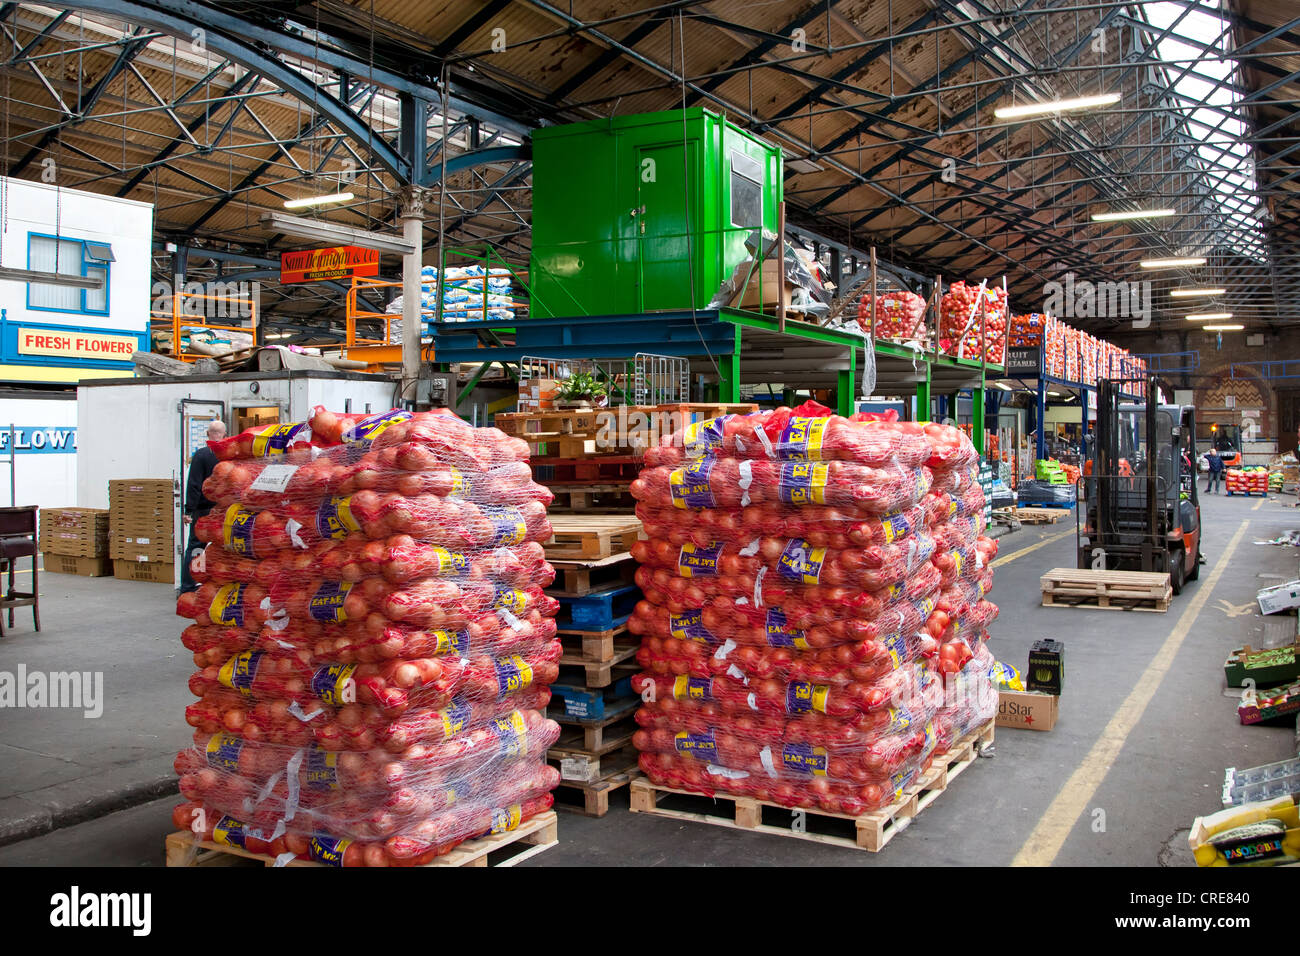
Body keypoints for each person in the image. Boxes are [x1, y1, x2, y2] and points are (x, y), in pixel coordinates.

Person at [181, 419, 226, 592]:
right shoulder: (228, 457)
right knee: (221, 548)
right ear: (224, 435)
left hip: (203, 511)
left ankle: (189, 585)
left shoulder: (200, 455)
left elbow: (194, 484)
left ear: (208, 434)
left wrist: (189, 510)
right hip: (222, 511)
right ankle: (218, 585)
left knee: (195, 547)